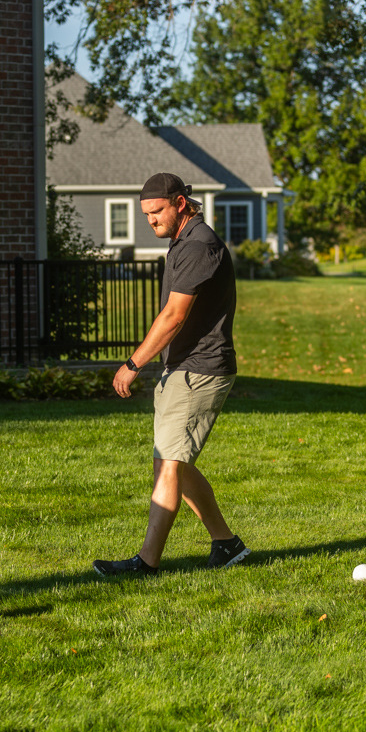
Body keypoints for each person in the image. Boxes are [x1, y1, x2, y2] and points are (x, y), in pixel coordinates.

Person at [93, 173, 249, 577]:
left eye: (157, 212)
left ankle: (146, 563)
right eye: (146, 215)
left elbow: (174, 316)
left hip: (200, 370)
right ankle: (226, 543)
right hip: (182, 367)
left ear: (180, 203)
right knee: (174, 462)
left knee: (168, 465)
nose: (151, 221)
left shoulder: (199, 245)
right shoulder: (185, 242)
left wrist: (132, 364)